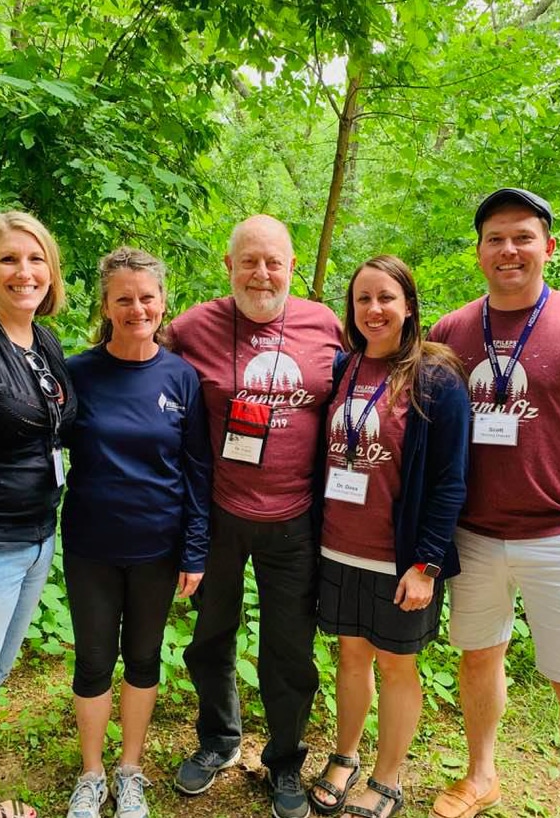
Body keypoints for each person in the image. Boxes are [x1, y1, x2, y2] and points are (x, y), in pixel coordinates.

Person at [169, 214, 343, 818]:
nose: (262, 273)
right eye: (249, 260)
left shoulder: (326, 326)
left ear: (293, 266)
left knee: (289, 652)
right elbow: (143, 379)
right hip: (218, 514)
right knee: (211, 635)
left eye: (274, 261)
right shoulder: (191, 328)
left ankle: (286, 762)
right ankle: (218, 739)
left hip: (297, 520)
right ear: (229, 266)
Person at [428, 188, 560, 818]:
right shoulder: (451, 331)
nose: (508, 250)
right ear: (480, 251)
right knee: (478, 656)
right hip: (476, 534)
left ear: (548, 245)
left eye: (521, 236)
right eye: (495, 238)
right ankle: (482, 775)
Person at [308, 255, 470, 818]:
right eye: (362, 300)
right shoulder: (343, 368)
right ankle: (345, 756)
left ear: (407, 305)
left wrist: (426, 563)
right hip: (337, 544)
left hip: (398, 557)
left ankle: (388, 776)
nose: (373, 310)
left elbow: (451, 480)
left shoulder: (436, 377)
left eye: (385, 298)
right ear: (351, 310)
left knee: (397, 664)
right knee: (350, 657)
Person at [61, 247, 211, 818]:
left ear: (163, 300)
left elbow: (197, 471)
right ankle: (92, 775)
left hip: (158, 547)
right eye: (123, 298)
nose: (136, 308)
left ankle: (130, 771)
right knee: (94, 661)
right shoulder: (77, 374)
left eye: (146, 297)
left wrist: (194, 549)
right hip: (91, 546)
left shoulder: (181, 377)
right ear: (105, 304)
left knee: (143, 659)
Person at [0, 212, 76, 818]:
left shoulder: (42, 342)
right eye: (8, 259)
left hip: (35, 542)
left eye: (35, 259)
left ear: (50, 272)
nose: (23, 272)